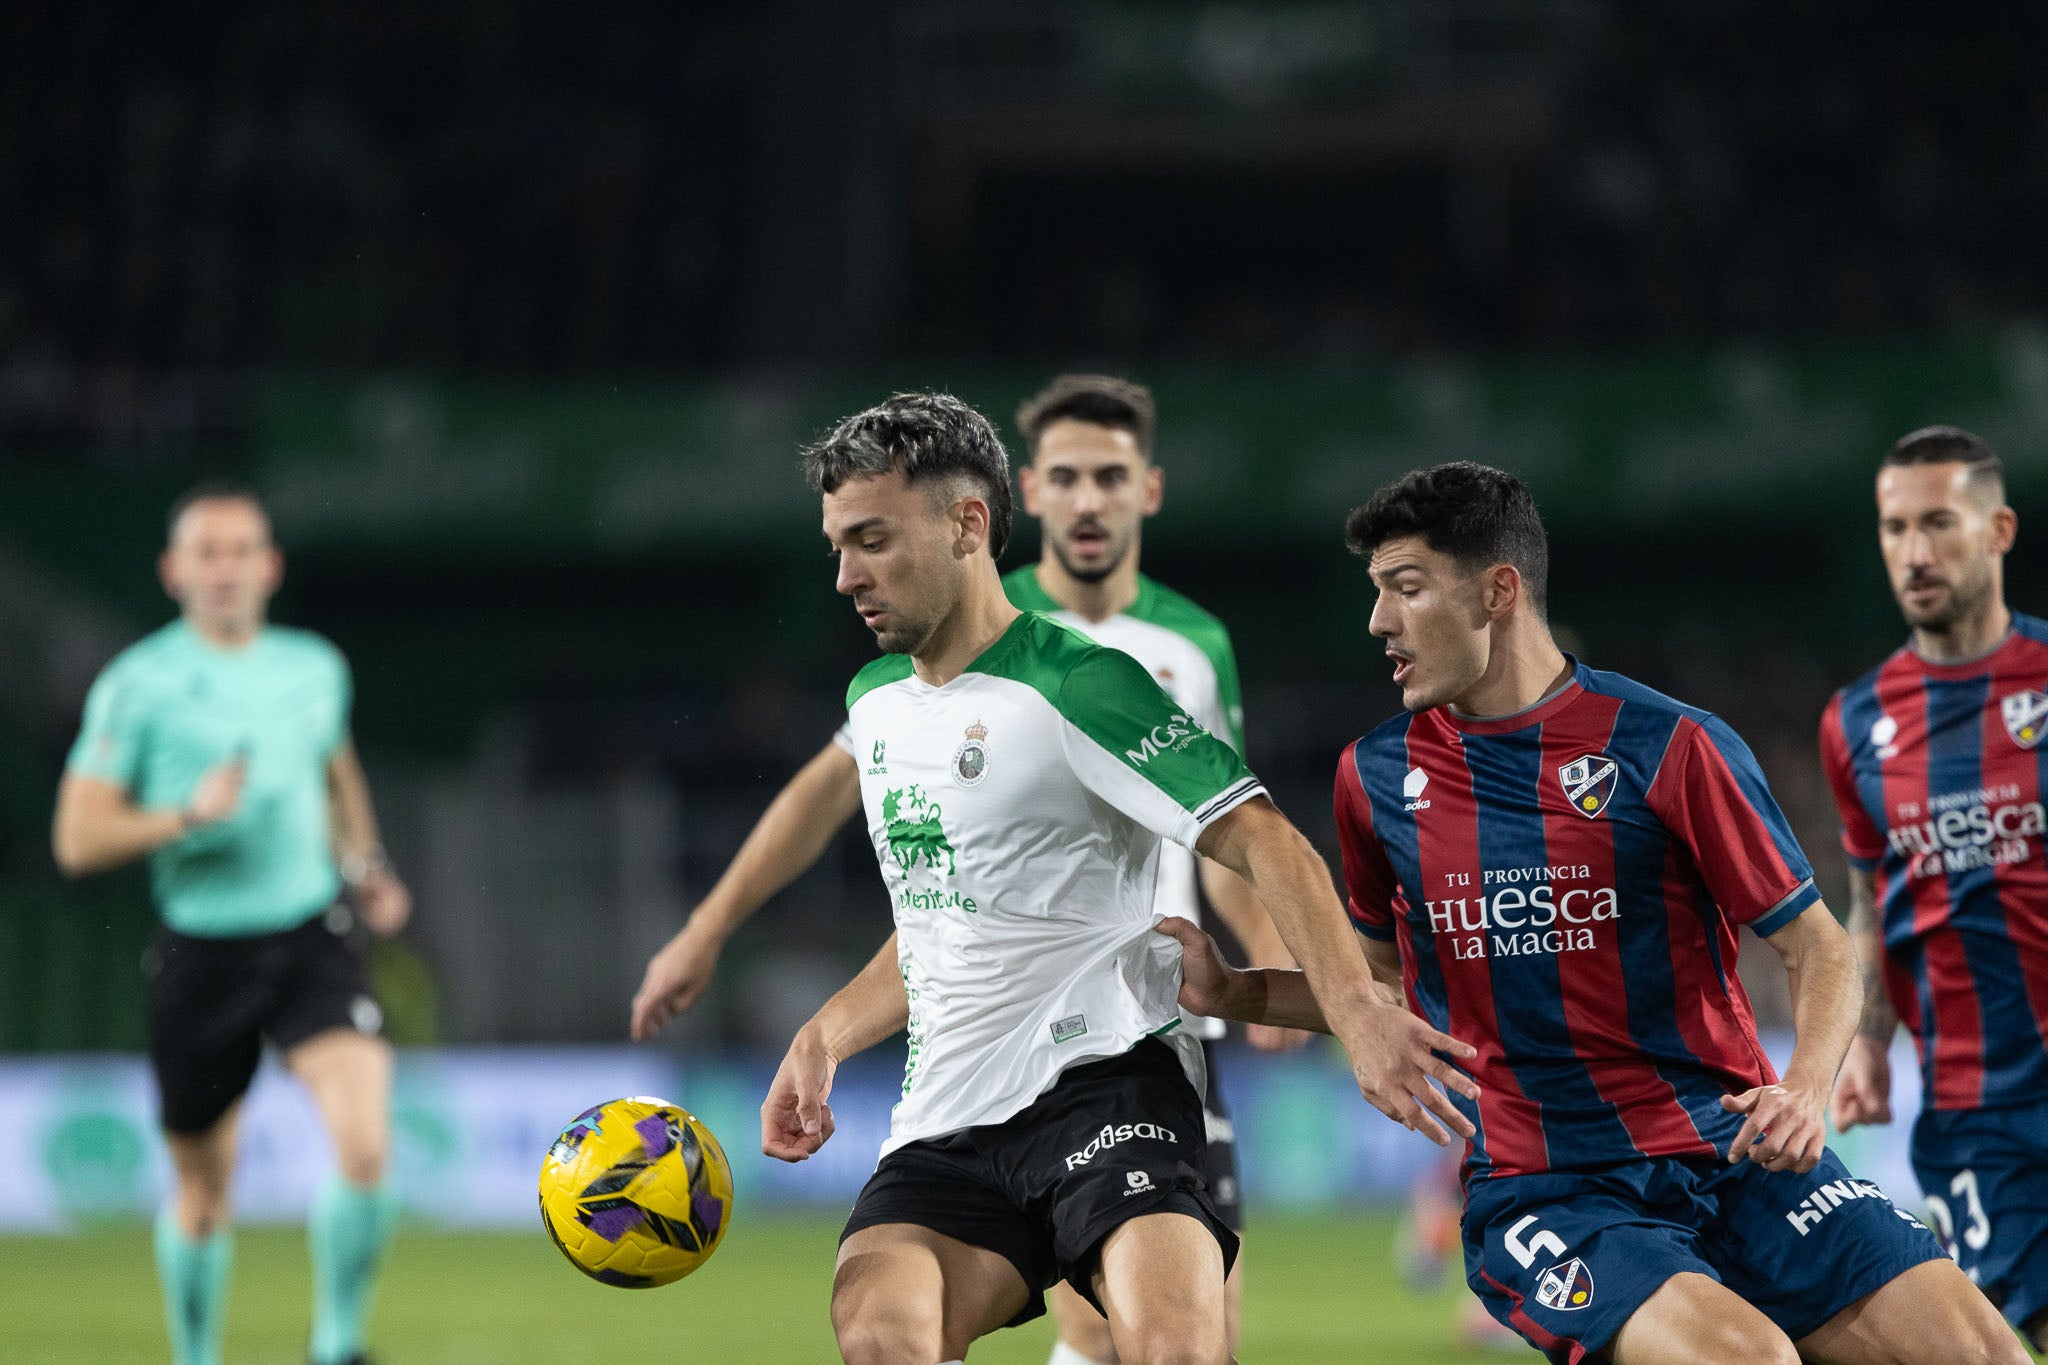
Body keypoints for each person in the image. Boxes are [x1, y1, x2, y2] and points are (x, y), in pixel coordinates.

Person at [1160, 461, 2022, 1364]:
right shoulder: (1375, 778)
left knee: (1984, 1354)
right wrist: (1238, 991)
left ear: (1499, 591)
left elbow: (1817, 945)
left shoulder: (1669, 745)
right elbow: (1381, 985)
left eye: (1405, 588)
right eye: (1377, 592)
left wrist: (1806, 1086)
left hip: (1734, 1151)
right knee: (1748, 1359)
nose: (1379, 621)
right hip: (1549, 1186)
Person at [758, 392, 1476, 1365]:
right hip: (950, 1116)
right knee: (880, 1333)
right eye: (837, 545)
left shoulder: (1082, 685)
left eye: (872, 541)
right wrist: (824, 1035)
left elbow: (1263, 840)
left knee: (1177, 1347)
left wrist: (1354, 1015)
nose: (844, 577)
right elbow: (944, 920)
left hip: (1112, 1086)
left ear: (966, 525)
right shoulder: (875, 702)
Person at [630, 373, 1305, 1364]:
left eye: (1107, 477)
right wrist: (730, 949)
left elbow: (1240, 829)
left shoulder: (1173, 652)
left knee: (1169, 1332)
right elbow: (918, 886)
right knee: (891, 1327)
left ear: (1143, 492)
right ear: (1030, 494)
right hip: (963, 1081)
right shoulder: (905, 678)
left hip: (1129, 1035)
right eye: (1066, 476)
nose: (1086, 499)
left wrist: (1277, 980)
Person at [52, 483, 411, 1365]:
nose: (225, 568)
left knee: (366, 1144)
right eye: (205, 552)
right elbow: (76, 838)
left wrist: (367, 866)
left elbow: (337, 772)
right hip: (201, 949)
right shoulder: (137, 685)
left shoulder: (314, 666)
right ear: (174, 571)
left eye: (241, 549)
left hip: (309, 934)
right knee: (203, 1191)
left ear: (270, 566)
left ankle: (337, 1345)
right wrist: (182, 815)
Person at [1822, 425, 2048, 1351]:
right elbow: (1871, 902)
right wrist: (1868, 1040)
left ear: (1998, 530)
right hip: (1973, 1108)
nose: (1913, 553)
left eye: (1939, 524)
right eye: (1894, 527)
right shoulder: (1855, 721)